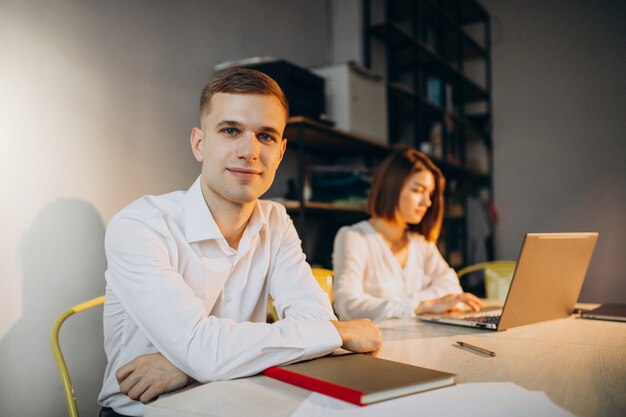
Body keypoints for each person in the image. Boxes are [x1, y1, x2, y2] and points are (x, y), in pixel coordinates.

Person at [98, 68, 382, 417]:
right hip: (146, 411)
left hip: (243, 397)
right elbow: (321, 330)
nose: (249, 151)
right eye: (231, 130)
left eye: (265, 136)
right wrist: (200, 356)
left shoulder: (275, 220)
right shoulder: (139, 225)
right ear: (199, 144)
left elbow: (314, 317)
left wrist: (187, 363)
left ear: (280, 152)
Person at [332, 147, 483, 322]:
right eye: (418, 190)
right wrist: (423, 305)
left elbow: (451, 288)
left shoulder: (420, 242)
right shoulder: (354, 237)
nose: (426, 202)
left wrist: (410, 304)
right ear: (392, 187)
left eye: (430, 194)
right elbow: (348, 305)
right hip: (376, 345)